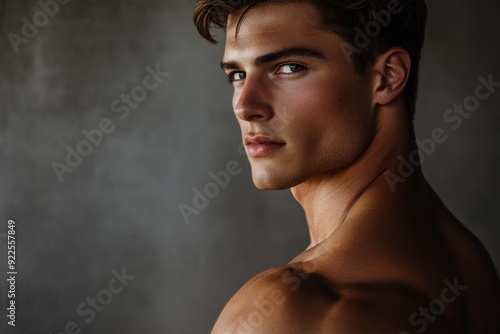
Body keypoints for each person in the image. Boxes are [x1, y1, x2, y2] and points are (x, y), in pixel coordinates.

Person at [193, 1, 500, 333]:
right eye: (237, 74)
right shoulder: (468, 265)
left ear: (387, 77)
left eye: (290, 67)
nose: (245, 106)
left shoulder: (290, 310)